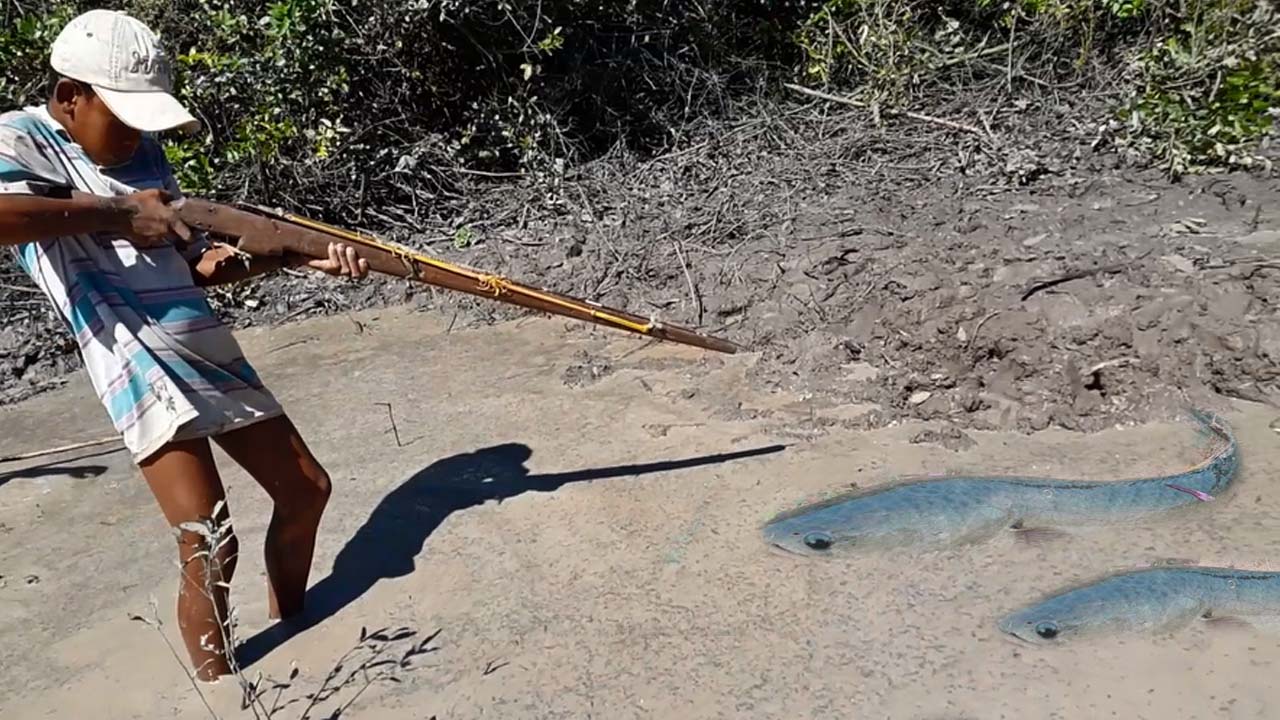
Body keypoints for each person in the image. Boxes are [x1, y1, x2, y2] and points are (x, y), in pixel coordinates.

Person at [0, 9, 371, 682]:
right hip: (133, 358)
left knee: (307, 489)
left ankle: (297, 622)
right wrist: (119, 211)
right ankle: (221, 688)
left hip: (199, 339)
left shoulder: (143, 152)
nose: (135, 133)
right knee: (209, 537)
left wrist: (292, 257)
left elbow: (195, 263)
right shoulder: (18, 140)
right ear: (70, 97)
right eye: (122, 115)